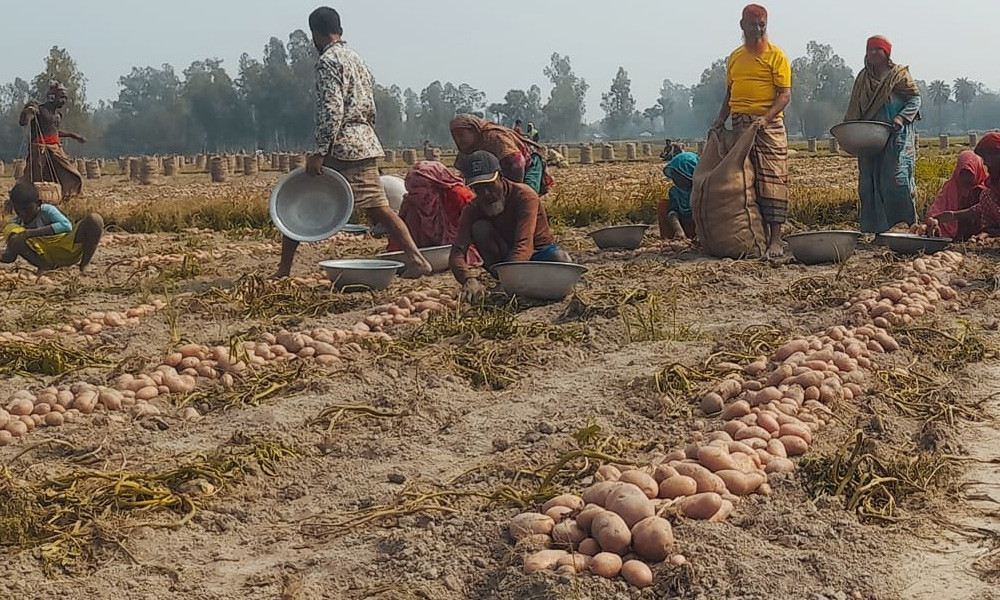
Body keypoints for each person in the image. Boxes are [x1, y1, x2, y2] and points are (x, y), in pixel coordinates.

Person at [274, 7, 430, 279]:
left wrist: (320, 151)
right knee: (379, 206)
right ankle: (416, 258)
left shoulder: (327, 62)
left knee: (296, 202)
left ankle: (284, 270)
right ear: (340, 30)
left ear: (315, 34)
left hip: (342, 145)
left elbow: (331, 110)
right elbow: (371, 105)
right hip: (365, 142)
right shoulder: (357, 59)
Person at [712, 4, 792, 258]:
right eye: (752, 25)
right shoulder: (734, 57)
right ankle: (753, 239)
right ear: (742, 26)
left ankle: (776, 240)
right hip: (739, 125)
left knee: (773, 180)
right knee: (744, 182)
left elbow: (785, 94)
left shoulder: (776, 56)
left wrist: (765, 120)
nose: (757, 30)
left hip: (767, 127)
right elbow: (729, 93)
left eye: (762, 25)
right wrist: (720, 119)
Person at [449, 151, 570, 300]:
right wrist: (468, 278)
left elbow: (524, 244)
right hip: (505, 257)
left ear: (500, 177)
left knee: (561, 260)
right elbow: (457, 251)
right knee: (480, 228)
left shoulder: (524, 196)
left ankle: (510, 281)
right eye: (478, 189)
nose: (486, 194)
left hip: (538, 254)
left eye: (490, 186)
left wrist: (507, 281)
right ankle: (505, 279)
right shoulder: (473, 208)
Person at [844, 35, 921, 234]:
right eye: (869, 50)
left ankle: (905, 228)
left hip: (896, 137)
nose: (872, 54)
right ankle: (875, 230)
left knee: (895, 182)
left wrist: (901, 118)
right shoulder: (863, 78)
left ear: (886, 53)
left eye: (877, 49)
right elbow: (855, 107)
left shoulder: (899, 75)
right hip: (869, 137)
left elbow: (915, 100)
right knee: (868, 185)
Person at [1, 181, 103, 272]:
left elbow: (66, 226)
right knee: (11, 230)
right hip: (44, 256)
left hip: (67, 248)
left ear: (38, 203)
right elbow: (10, 256)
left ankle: (84, 265)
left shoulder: (47, 211)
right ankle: (44, 266)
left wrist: (28, 233)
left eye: (27, 209)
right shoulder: (17, 222)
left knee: (95, 220)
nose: (23, 213)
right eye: (18, 209)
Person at [386, 161, 476, 252]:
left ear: (439, 186)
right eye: (413, 191)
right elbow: (398, 237)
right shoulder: (411, 203)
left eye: (423, 189)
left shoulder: (458, 196)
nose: (418, 195)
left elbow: (476, 229)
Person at [450, 114, 550, 195]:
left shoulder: (495, 137)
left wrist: (512, 192)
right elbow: (462, 173)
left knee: (526, 196)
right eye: (455, 137)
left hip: (528, 164)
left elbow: (518, 164)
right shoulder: (466, 149)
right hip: (502, 171)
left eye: (461, 135)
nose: (459, 140)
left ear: (474, 130)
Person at [18, 82, 85, 201]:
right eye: (61, 97)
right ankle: (22, 199)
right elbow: (23, 122)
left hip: (56, 149)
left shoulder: (58, 115)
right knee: (33, 177)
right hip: (39, 149)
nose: (63, 100)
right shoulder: (39, 110)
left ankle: (66, 197)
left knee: (72, 174)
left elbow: (54, 132)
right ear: (52, 97)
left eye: (65, 97)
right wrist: (27, 113)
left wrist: (73, 135)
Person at [932, 133, 1000, 236]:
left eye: (987, 158)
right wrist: (953, 215)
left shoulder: (982, 188)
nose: (985, 164)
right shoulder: (992, 186)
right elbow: (982, 207)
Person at [924, 150, 988, 240]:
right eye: (963, 173)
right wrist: (933, 219)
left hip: (979, 231)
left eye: (970, 173)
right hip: (953, 231)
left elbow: (985, 212)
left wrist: (955, 215)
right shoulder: (950, 187)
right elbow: (937, 207)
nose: (965, 178)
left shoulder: (986, 191)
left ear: (977, 170)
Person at [660, 152, 699, 240]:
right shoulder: (674, 192)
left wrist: (701, 233)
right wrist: (678, 230)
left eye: (678, 175)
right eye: (673, 175)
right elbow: (673, 212)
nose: (675, 179)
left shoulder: (701, 191)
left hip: (702, 228)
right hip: (683, 228)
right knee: (662, 205)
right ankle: (670, 237)